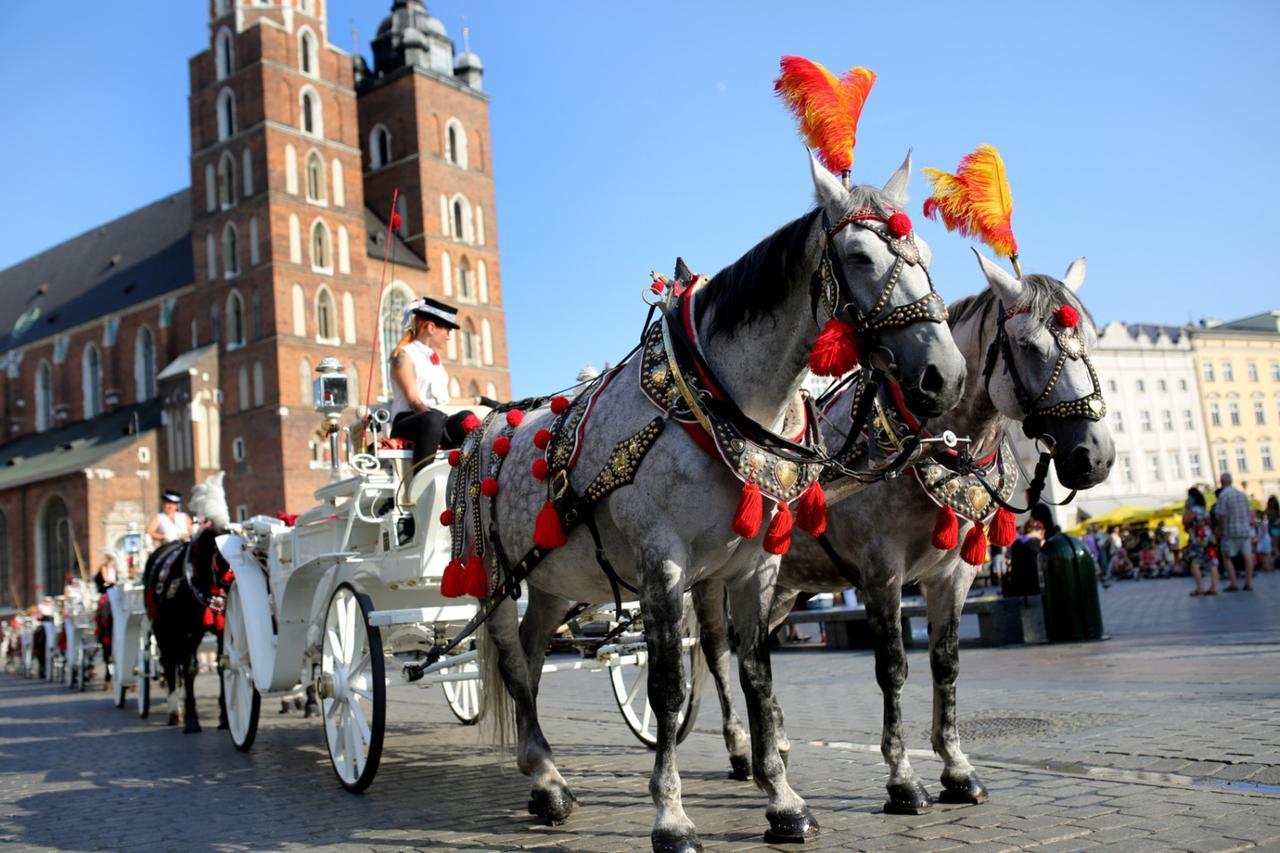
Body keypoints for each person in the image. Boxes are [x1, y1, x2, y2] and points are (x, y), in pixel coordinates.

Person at [388, 296, 475, 469]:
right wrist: (441, 420)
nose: (448, 337)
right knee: (432, 421)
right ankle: (419, 485)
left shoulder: (433, 359)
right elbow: (413, 400)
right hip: (411, 420)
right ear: (431, 327)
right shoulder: (404, 355)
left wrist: (479, 400)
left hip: (434, 418)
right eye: (447, 331)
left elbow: (443, 401)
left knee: (465, 419)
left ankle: (467, 480)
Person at [1212, 472, 1254, 592]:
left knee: (1227, 557)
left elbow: (1221, 515)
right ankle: (1248, 582)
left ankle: (1233, 582)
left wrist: (1219, 528)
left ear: (1222, 482)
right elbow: (1249, 512)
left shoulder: (1223, 495)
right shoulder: (1242, 494)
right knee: (1247, 556)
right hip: (1244, 530)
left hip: (1230, 531)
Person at [1184, 486, 1219, 596]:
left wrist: (1186, 509)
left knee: (1195, 563)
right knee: (1212, 562)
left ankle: (1200, 588)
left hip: (1198, 538)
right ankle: (1213, 587)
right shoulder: (1204, 509)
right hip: (1209, 537)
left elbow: (1185, 521)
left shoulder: (1193, 509)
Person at [1003, 519, 1044, 596]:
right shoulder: (1041, 543)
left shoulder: (1016, 543)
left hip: (1017, 589)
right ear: (1040, 531)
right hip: (1035, 588)